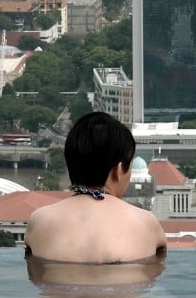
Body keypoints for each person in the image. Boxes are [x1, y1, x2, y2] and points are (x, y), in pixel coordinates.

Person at [25, 111, 167, 263]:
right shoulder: (146, 223)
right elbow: (155, 272)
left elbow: (36, 275)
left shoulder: (39, 221)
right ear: (119, 171)